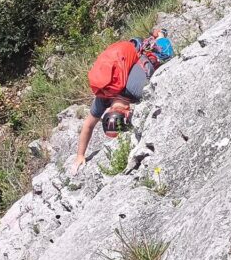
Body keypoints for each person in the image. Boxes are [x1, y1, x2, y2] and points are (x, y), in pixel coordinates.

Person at [72, 31, 173, 174]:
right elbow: (88, 125)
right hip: (125, 53)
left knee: (165, 56)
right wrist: (80, 155)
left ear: (127, 114)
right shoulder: (104, 94)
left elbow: (88, 125)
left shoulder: (138, 90)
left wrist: (79, 156)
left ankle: (160, 36)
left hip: (137, 53)